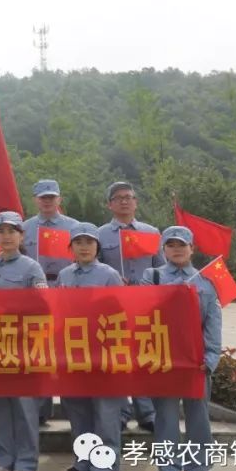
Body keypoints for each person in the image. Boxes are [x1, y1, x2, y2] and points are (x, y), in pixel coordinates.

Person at [141, 226, 224, 471]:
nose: (177, 249)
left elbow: (213, 321)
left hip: (195, 362)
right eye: (171, 245)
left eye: (182, 245)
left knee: (198, 415)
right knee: (165, 415)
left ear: (192, 249)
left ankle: (199, 468)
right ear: (163, 249)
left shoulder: (206, 281)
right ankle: (167, 467)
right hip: (164, 359)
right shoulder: (152, 276)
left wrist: (210, 359)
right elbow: (142, 315)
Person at [57, 222, 125, 471]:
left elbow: (120, 315)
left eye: (89, 242)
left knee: (106, 413)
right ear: (70, 247)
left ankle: (105, 467)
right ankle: (83, 461)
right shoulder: (64, 275)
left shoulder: (109, 275)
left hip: (103, 353)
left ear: (97, 247)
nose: (83, 247)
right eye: (78, 242)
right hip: (73, 354)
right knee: (77, 411)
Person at [0, 211, 48, 471]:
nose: (6, 236)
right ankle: (3, 460)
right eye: (1, 231)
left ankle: (26, 464)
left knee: (24, 409)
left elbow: (44, 305)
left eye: (12, 231)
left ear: (21, 236)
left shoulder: (32, 268)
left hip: (23, 347)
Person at [97, 180, 161, 432]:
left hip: (145, 304)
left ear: (136, 202)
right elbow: (94, 266)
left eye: (129, 196)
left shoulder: (151, 232)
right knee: (118, 357)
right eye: (118, 197)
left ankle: (147, 412)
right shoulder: (99, 234)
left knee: (143, 355)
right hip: (113, 306)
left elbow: (160, 267)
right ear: (109, 204)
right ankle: (121, 412)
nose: (124, 201)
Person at [23, 179, 77, 425]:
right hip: (35, 300)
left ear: (59, 199)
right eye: (42, 197)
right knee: (38, 354)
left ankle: (72, 405)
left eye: (51, 197)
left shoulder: (74, 227)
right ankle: (41, 409)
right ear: (35, 200)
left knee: (69, 352)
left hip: (68, 297)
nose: (47, 201)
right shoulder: (23, 229)